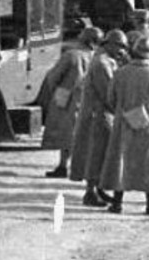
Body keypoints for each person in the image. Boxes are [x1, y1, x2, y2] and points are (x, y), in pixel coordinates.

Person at [100, 30, 149, 215]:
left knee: (121, 161)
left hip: (124, 123)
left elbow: (110, 99)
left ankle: (117, 203)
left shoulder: (120, 74)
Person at [69, 28, 129, 205]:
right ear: (110, 44)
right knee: (95, 154)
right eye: (120, 47)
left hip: (99, 114)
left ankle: (97, 189)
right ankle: (90, 192)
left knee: (99, 154)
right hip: (98, 116)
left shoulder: (105, 60)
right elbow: (108, 93)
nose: (122, 52)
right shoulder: (102, 64)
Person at [36, 27, 102, 178]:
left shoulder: (71, 55)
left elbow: (53, 77)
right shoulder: (98, 57)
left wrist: (56, 93)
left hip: (68, 99)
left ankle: (63, 166)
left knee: (66, 135)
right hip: (90, 101)